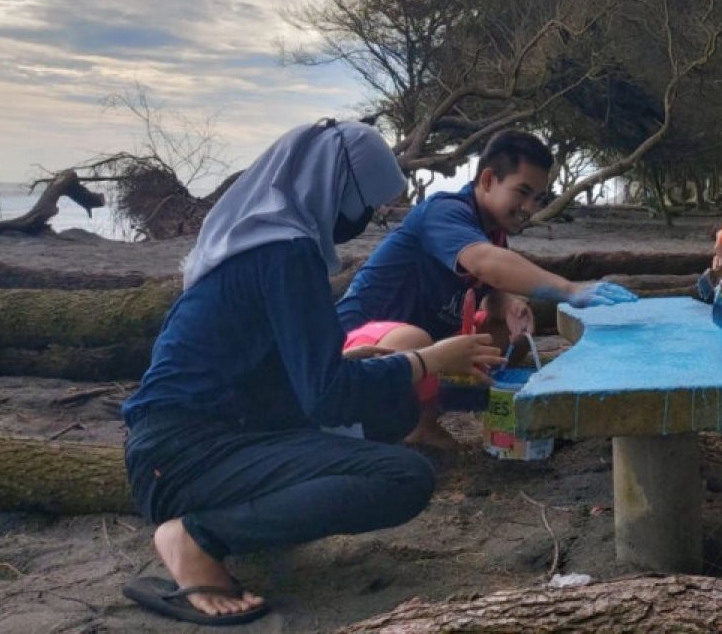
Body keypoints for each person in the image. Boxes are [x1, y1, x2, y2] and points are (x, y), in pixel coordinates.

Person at [120, 120, 505, 626]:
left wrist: (393, 370)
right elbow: (326, 398)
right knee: (405, 476)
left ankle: (237, 523)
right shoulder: (285, 253)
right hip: (182, 453)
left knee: (394, 405)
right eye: (364, 204)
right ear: (336, 189)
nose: (364, 219)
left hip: (221, 431)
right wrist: (430, 360)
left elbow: (293, 375)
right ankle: (196, 536)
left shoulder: (261, 240)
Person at [336, 130, 637, 448]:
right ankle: (411, 425)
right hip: (353, 346)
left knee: (506, 338)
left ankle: (432, 411)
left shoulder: (491, 231)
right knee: (415, 339)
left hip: (420, 352)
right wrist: (569, 289)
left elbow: (486, 289)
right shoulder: (445, 211)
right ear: (489, 179)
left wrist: (509, 305)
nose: (529, 208)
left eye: (537, 198)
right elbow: (483, 263)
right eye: (522, 192)